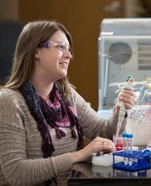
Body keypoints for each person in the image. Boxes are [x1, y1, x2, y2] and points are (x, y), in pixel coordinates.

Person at [0, 20, 136, 186]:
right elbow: (16, 172)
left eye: (68, 49)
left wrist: (119, 111)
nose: (69, 55)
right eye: (60, 47)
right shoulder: (10, 101)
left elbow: (103, 132)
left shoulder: (66, 95)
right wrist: (78, 155)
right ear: (36, 51)